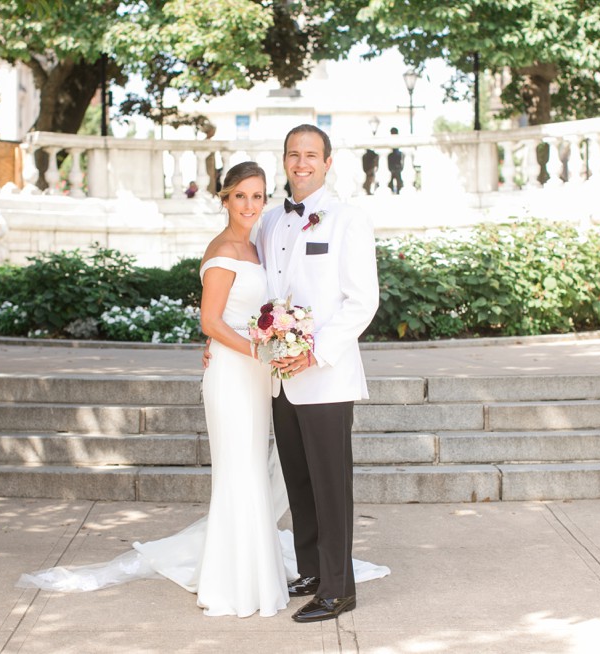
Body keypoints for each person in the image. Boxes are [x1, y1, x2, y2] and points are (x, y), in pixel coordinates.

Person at [16, 162, 388, 617]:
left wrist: (265, 344)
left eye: (257, 196)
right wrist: (249, 350)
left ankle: (306, 580)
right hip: (245, 374)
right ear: (224, 199)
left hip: (280, 376)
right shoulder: (230, 245)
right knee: (246, 474)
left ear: (327, 162)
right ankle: (241, 579)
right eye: (240, 196)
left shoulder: (273, 233)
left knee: (263, 475)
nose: (250, 205)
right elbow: (211, 319)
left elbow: (313, 300)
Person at [257, 124, 380, 623]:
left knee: (331, 486)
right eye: (293, 154)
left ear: (328, 163)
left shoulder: (349, 219)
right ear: (284, 161)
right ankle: (310, 570)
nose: (301, 163)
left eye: (311, 155)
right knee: (299, 482)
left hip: (325, 376)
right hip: (279, 377)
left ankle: (339, 589)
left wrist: (315, 353)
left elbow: (362, 301)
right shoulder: (269, 223)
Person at [386, 127, 405, 195]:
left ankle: (397, 190)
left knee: (397, 177)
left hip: (395, 160)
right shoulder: (392, 140)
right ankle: (395, 189)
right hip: (393, 160)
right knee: (393, 178)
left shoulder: (397, 140)